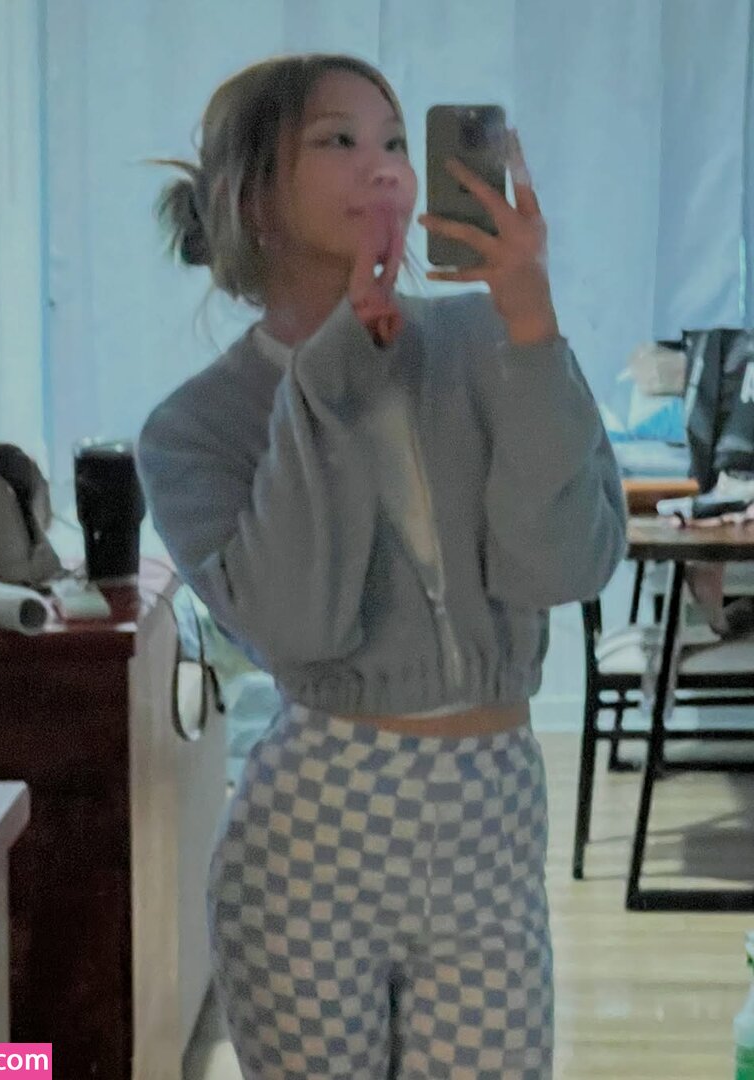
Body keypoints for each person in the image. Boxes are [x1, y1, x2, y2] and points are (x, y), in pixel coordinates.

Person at [137, 52, 626, 1080]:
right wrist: (329, 378)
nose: (386, 167)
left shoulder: (494, 339)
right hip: (312, 835)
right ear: (254, 200)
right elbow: (297, 624)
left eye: (397, 141)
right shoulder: (193, 429)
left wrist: (533, 324)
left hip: (494, 814)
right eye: (340, 140)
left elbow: (565, 564)